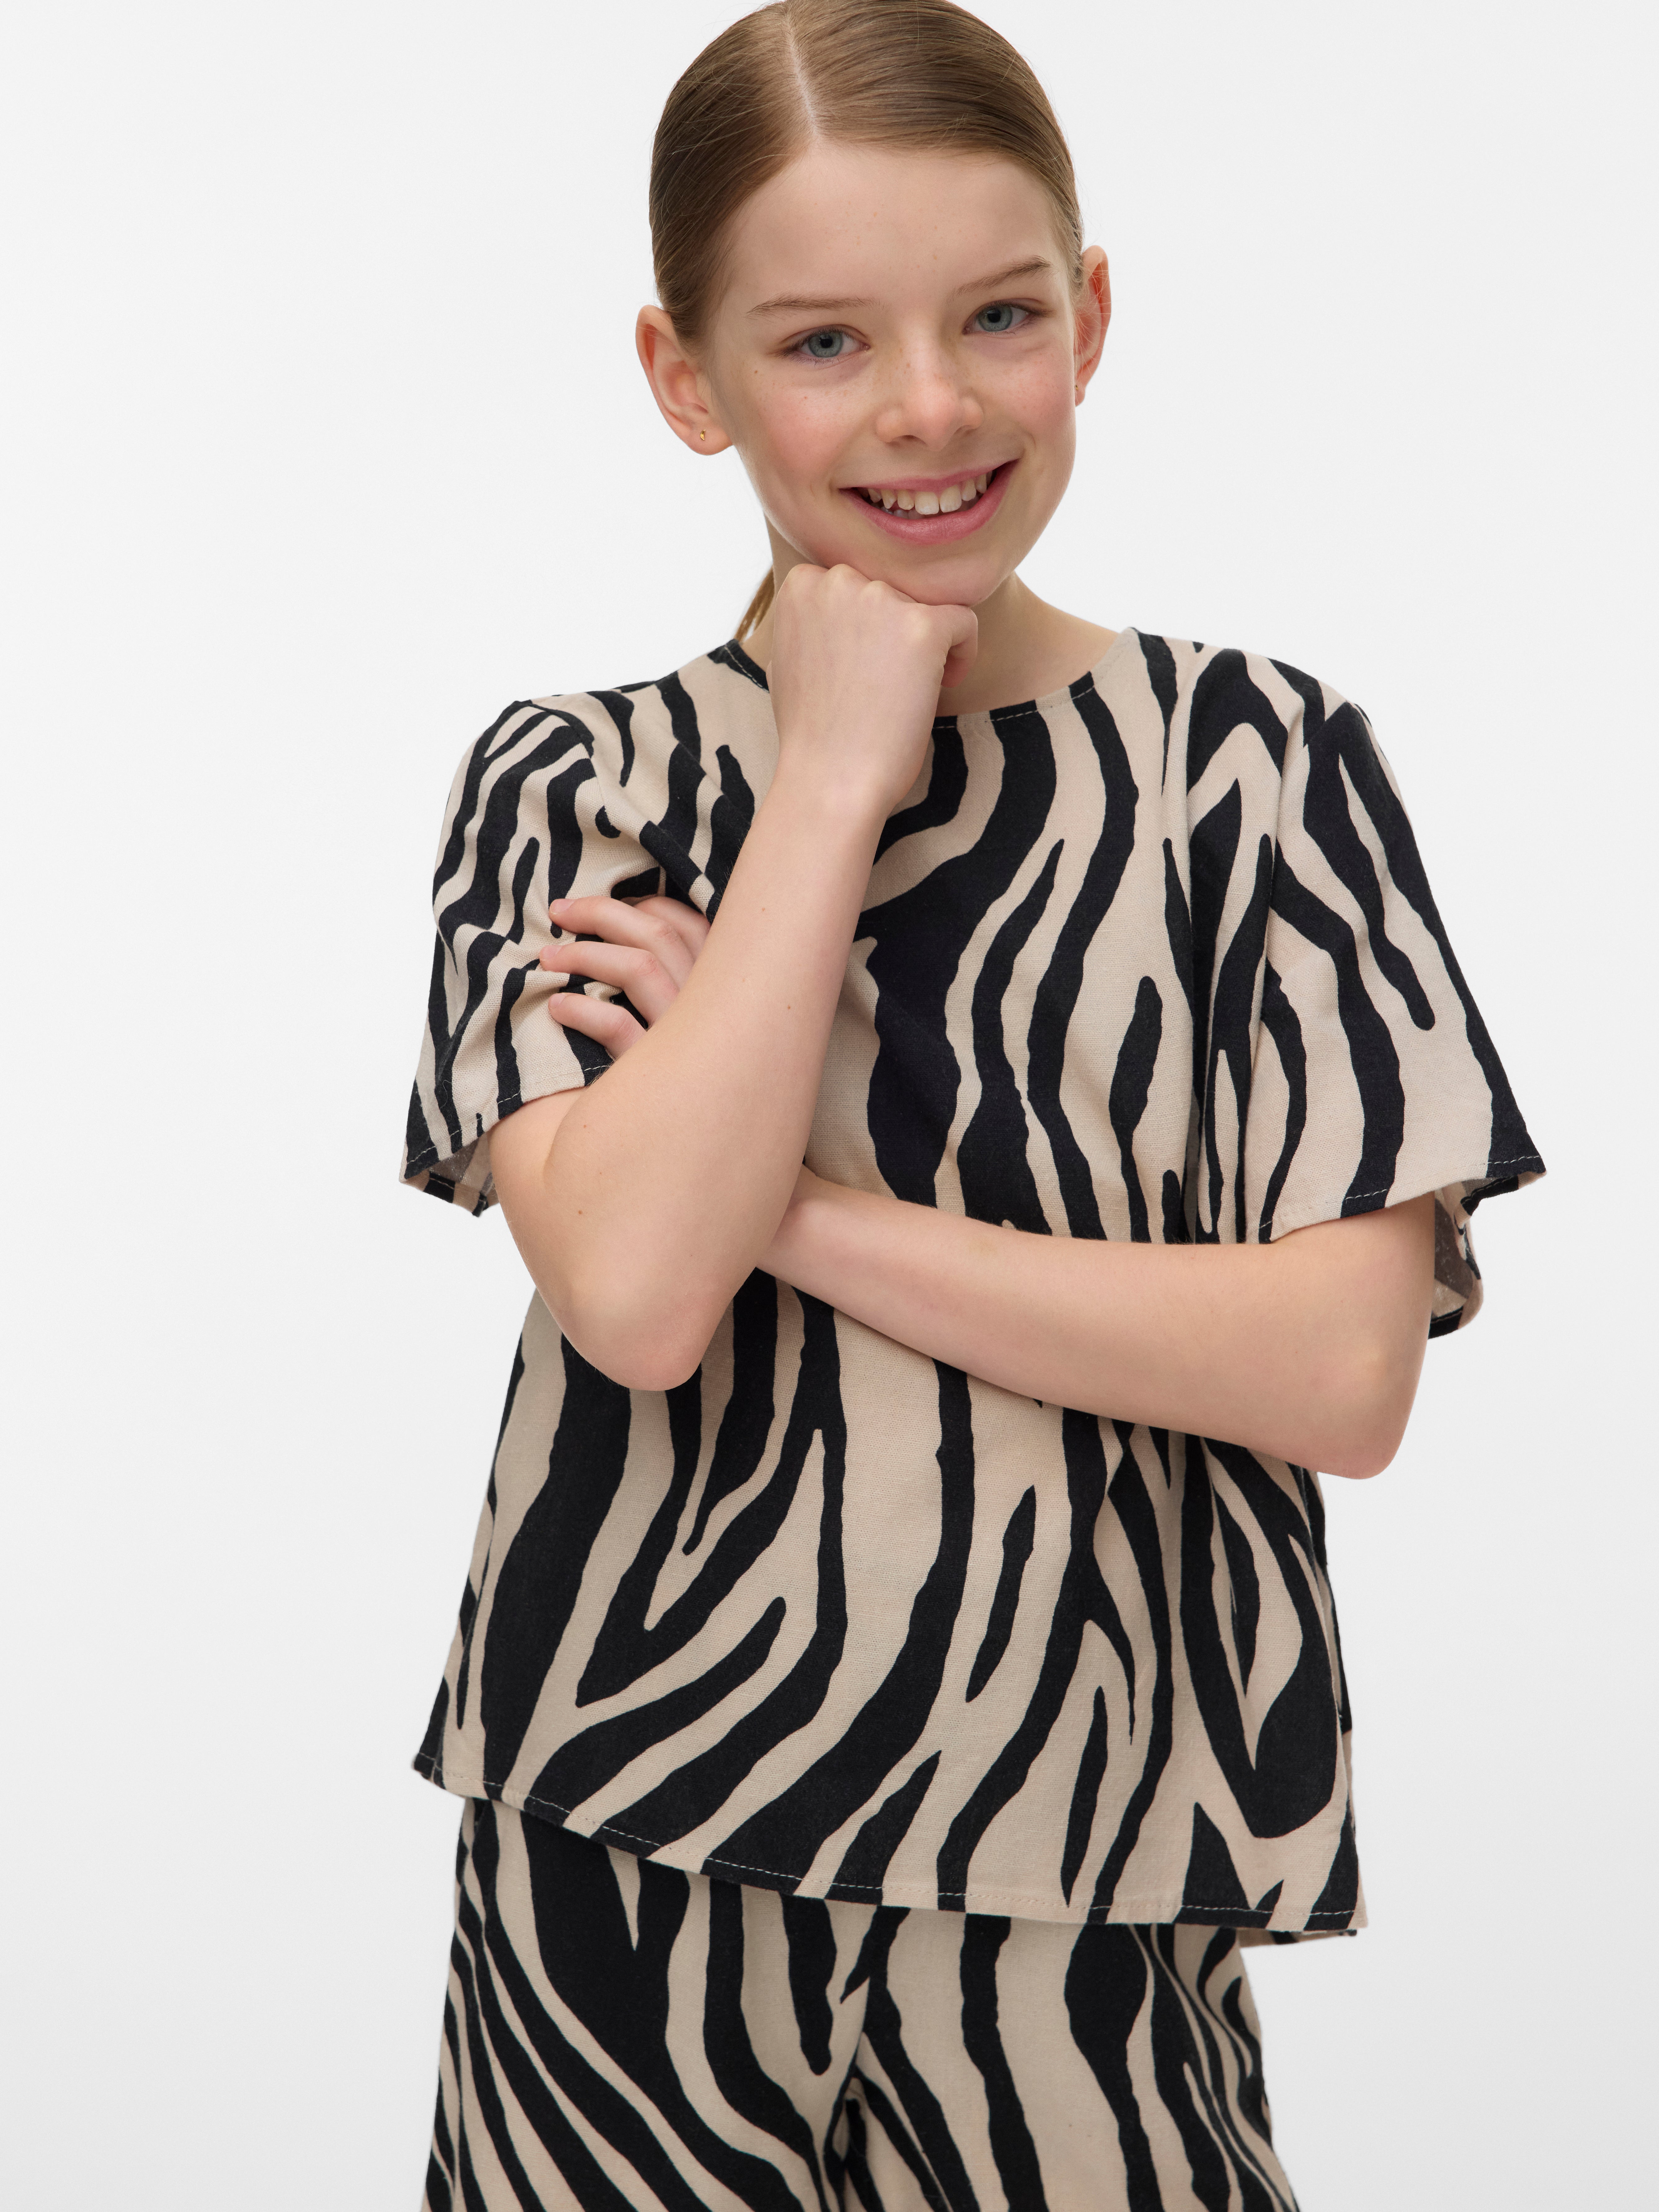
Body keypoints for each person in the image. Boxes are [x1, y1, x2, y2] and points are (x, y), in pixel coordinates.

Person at [400, 3, 1544, 2205]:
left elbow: (1338, 1372)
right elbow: (636, 1291)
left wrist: (796, 1207)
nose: (929, 406)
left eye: (998, 316)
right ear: (684, 378)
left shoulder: (1257, 770)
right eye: (823, 342)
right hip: (623, 1882)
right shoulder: (582, 783)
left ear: (1088, 319)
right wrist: (835, 770)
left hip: (1093, 1878)